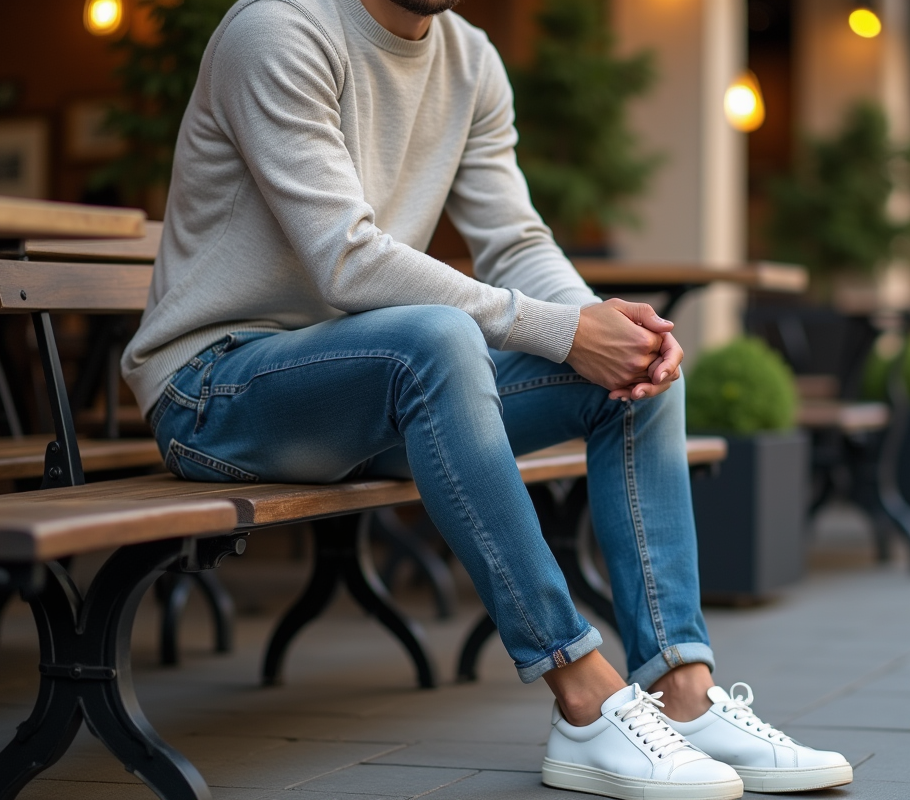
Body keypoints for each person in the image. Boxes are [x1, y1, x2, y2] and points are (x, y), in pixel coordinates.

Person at [121, 0, 853, 797]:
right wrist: (563, 332)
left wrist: (604, 331)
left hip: (366, 393)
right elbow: (346, 259)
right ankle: (583, 698)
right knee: (438, 338)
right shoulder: (279, 30)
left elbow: (516, 241)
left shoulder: (469, 58)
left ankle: (682, 688)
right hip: (215, 392)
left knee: (634, 378)